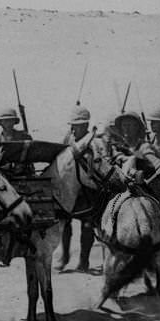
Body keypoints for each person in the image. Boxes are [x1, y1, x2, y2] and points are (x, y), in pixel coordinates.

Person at [60, 105, 96, 272]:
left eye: (79, 125)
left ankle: (84, 261)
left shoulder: (92, 141)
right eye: (73, 125)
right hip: (69, 187)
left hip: (87, 188)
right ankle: (65, 256)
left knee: (87, 225)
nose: (75, 128)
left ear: (86, 126)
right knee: (64, 221)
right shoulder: (69, 138)